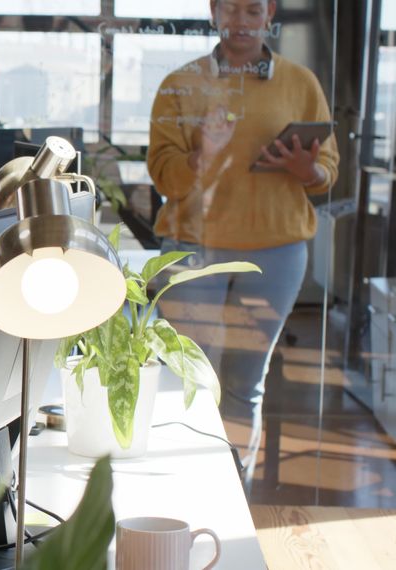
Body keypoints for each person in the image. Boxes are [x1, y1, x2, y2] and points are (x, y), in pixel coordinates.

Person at [146, 0, 339, 488]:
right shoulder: (180, 84)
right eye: (229, 9)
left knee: (245, 386)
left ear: (268, 15)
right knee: (190, 380)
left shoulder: (300, 82)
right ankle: (180, 490)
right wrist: (203, 155)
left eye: (252, 11)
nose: (240, 21)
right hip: (194, 247)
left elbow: (327, 172)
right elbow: (163, 174)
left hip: (277, 251)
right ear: (213, 13)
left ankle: (232, 494)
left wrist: (306, 170)